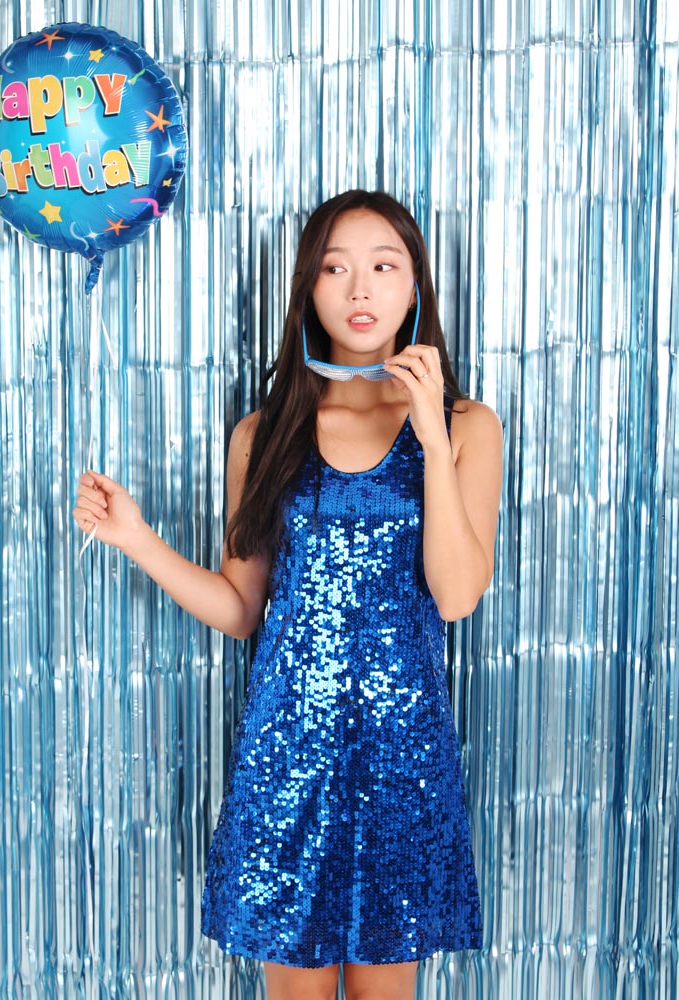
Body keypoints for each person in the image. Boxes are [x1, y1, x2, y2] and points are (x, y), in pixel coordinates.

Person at [72, 190, 503, 1000]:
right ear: (308, 287)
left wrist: (430, 435)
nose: (360, 289)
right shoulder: (263, 432)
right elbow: (241, 608)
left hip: (403, 762)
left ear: (416, 286)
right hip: (288, 757)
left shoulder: (468, 426)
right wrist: (136, 538)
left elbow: (454, 596)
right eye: (335, 269)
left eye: (384, 267)